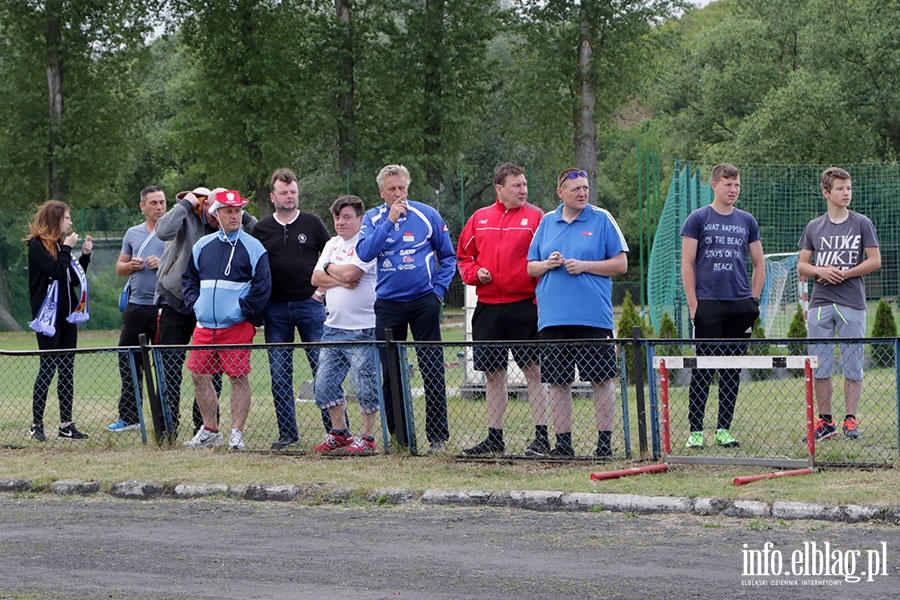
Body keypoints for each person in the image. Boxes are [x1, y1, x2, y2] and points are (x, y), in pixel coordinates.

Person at [527, 168, 628, 458]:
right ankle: (564, 445)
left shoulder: (602, 218)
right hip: (553, 318)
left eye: (585, 188)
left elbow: (620, 264)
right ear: (560, 192)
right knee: (557, 382)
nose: (582, 193)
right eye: (576, 189)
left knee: (601, 378)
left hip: (592, 316)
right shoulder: (547, 222)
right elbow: (530, 267)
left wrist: (584, 265)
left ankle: (604, 444)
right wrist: (548, 263)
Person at [356, 164, 456, 454]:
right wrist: (389, 221)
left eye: (402, 188)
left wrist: (437, 292)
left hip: (424, 301)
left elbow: (448, 256)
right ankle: (401, 438)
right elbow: (364, 252)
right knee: (391, 373)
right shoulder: (373, 218)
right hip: (388, 305)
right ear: (381, 192)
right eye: (392, 189)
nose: (399, 194)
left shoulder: (427, 214)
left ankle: (438, 438)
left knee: (432, 369)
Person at [457, 162, 551, 456]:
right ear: (500, 189)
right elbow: (463, 257)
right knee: (492, 374)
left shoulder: (537, 217)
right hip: (488, 307)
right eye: (517, 185)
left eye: (524, 184)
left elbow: (546, 258)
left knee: (533, 371)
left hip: (525, 305)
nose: (523, 190)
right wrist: (476, 274)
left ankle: (541, 437)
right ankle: (494, 437)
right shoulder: (479, 218)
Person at [155, 186, 257, 437]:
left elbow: (258, 232)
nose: (214, 217)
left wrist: (240, 211)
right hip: (177, 301)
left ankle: (205, 428)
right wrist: (185, 204)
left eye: (220, 211)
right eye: (212, 212)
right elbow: (162, 231)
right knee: (169, 366)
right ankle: (166, 428)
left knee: (211, 370)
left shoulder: (230, 224)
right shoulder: (187, 216)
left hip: (213, 309)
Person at [680, 162, 764, 450]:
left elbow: (758, 262)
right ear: (714, 185)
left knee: (732, 369)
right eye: (728, 184)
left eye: (737, 184)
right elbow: (687, 263)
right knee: (703, 368)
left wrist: (753, 300)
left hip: (740, 305)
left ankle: (723, 429)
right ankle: (696, 431)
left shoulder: (747, 220)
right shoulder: (697, 218)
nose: (733, 189)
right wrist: (694, 303)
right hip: (708, 304)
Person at [182, 190, 271, 450]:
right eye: (228, 211)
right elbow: (189, 279)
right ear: (215, 214)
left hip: (236, 326)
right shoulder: (202, 245)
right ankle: (210, 429)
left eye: (238, 210)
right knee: (198, 374)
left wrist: (242, 311)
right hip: (205, 325)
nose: (235, 215)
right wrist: (195, 305)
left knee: (238, 377)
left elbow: (262, 286)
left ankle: (236, 433)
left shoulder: (254, 247)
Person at [251, 168, 332, 450]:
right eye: (284, 192)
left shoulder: (312, 223)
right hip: (275, 310)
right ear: (273, 196)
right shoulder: (260, 229)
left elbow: (332, 255)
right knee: (279, 373)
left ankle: (335, 432)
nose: (289, 196)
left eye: (293, 192)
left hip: (310, 306)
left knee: (324, 370)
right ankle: (288, 434)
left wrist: (321, 292)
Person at [798, 167, 880, 441]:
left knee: (853, 365)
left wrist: (844, 272)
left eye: (849, 188)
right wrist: (821, 271)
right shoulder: (814, 226)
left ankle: (850, 420)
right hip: (821, 302)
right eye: (840, 189)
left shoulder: (861, 223)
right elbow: (802, 264)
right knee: (820, 365)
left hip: (852, 303)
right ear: (826, 192)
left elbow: (874, 260)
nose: (846, 193)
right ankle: (825, 421)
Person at [310, 195, 380, 454]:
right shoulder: (331, 244)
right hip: (333, 327)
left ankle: (368, 438)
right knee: (324, 385)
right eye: (337, 217)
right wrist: (337, 274)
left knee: (366, 386)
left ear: (360, 219)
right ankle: (340, 433)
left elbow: (354, 274)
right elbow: (315, 277)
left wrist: (332, 273)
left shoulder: (367, 243)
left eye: (347, 217)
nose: (341, 222)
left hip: (363, 327)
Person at [25, 200, 93, 441]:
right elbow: (54, 271)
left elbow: (72, 279)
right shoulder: (37, 245)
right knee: (48, 366)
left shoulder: (60, 245)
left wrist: (84, 256)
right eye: (67, 218)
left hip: (67, 315)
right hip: (47, 316)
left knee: (66, 368)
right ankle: (37, 424)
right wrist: (66, 249)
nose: (71, 222)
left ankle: (66, 424)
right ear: (55, 220)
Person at [107, 186, 167, 432]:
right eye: (153, 203)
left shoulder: (174, 233)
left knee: (165, 362)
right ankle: (130, 415)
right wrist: (130, 265)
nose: (159, 207)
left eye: (162, 202)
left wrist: (162, 264)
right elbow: (119, 267)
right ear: (143, 206)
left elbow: (185, 267)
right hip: (136, 307)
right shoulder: (133, 233)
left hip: (164, 308)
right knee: (129, 359)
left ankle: (166, 417)